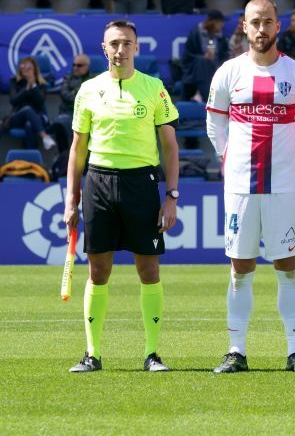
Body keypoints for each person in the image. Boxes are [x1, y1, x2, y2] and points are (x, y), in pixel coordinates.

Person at [206, 0, 295, 374]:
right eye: (254, 22)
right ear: (243, 26)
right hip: (240, 186)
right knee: (240, 268)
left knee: (287, 266)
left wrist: (293, 163)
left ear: (278, 26)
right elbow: (215, 127)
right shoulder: (227, 73)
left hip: (283, 186)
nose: (261, 29)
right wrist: (231, 160)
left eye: (267, 22)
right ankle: (236, 350)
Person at [65, 19, 180, 373]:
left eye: (126, 43)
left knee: (148, 268)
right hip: (98, 183)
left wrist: (171, 195)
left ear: (137, 47)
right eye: (114, 43)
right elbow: (77, 149)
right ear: (104, 48)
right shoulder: (87, 90)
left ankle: (152, 353)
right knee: (98, 271)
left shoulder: (154, 87)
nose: (120, 49)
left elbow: (170, 146)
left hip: (141, 184)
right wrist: (72, 199)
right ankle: (92, 354)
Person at [6, 56, 55, 150]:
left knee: (29, 124)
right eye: (23, 68)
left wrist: (33, 86)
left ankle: (31, 157)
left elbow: (40, 102)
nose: (26, 70)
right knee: (27, 110)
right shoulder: (14, 81)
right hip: (18, 116)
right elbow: (13, 101)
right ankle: (44, 136)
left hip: (38, 116)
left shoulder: (42, 84)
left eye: (29, 68)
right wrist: (27, 89)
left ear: (35, 70)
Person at [48, 54, 93, 150]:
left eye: (79, 65)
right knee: (59, 124)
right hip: (67, 112)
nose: (75, 68)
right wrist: (81, 97)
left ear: (87, 66)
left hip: (86, 114)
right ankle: (62, 156)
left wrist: (74, 94)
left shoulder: (93, 80)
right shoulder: (67, 78)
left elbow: (93, 98)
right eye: (74, 65)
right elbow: (65, 95)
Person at [182, 10, 228, 102]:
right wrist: (203, 57)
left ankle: (201, 95)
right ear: (213, 22)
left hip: (215, 68)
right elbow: (188, 56)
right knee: (202, 62)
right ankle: (208, 98)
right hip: (196, 68)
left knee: (208, 63)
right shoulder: (195, 34)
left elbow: (224, 56)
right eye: (220, 22)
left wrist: (213, 58)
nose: (222, 25)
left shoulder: (221, 38)